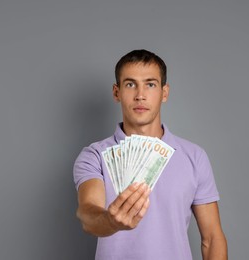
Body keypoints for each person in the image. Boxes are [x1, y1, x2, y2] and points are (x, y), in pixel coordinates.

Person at [74, 49, 228, 260]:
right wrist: (110, 222)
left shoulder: (194, 156)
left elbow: (212, 238)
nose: (140, 95)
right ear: (116, 92)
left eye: (150, 84)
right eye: (130, 84)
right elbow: (88, 214)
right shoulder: (95, 156)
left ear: (164, 93)